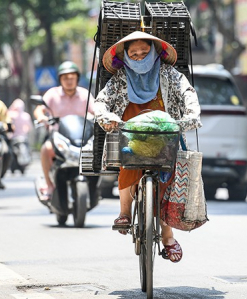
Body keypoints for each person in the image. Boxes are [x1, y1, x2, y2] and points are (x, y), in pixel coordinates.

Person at [94, 31, 202, 263]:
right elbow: (102, 100)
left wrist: (192, 113)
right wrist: (105, 116)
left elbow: (187, 93)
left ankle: (167, 235)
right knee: (128, 165)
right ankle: (124, 213)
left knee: (167, 181)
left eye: (145, 52)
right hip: (131, 135)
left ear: (154, 52)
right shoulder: (121, 78)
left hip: (164, 135)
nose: (140, 57)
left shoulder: (168, 73)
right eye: (134, 53)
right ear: (127, 57)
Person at [33, 61, 95, 200]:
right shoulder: (52, 94)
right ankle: (49, 185)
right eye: (65, 78)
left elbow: (96, 110)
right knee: (45, 149)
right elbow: (39, 109)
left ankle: (96, 187)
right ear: (60, 79)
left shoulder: (85, 94)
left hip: (82, 138)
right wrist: (42, 117)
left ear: (77, 79)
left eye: (72, 77)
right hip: (58, 137)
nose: (69, 81)